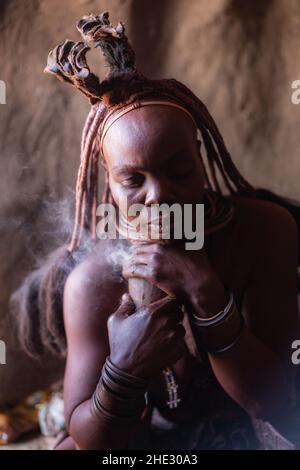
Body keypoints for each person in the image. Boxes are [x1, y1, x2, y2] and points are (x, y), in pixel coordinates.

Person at [12, 12, 300, 450]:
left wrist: (208, 298)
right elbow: (90, 438)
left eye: (180, 170)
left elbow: (278, 403)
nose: (159, 197)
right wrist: (124, 371)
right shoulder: (92, 282)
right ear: (107, 181)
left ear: (201, 157)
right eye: (132, 180)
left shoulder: (262, 232)